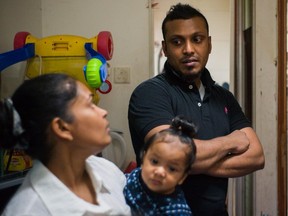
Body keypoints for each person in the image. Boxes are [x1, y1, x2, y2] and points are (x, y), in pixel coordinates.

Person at [128, 3, 265, 216]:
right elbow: (168, 155)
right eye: (177, 42)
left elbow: (256, 157)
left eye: (197, 39)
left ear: (209, 44)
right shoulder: (149, 93)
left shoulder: (224, 97)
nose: (189, 49)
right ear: (165, 48)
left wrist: (188, 161)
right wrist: (231, 142)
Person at [0, 73, 131, 215]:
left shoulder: (106, 170)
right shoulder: (29, 211)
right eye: (90, 104)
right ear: (62, 128)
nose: (103, 112)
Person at [124, 116, 197, 215]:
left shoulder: (177, 211)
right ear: (143, 157)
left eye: (171, 169)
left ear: (182, 177)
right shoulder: (135, 175)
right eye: (154, 161)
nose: (159, 172)